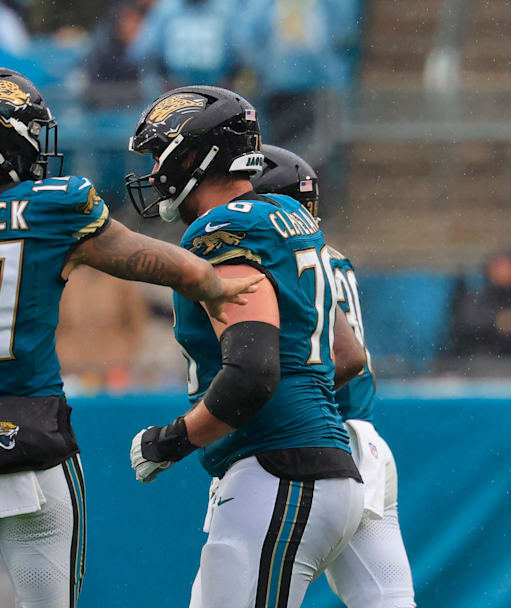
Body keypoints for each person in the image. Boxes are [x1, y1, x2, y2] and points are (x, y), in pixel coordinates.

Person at [0, 66, 261, 608]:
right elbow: (165, 266)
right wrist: (213, 283)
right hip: (34, 443)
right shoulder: (53, 205)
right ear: (0, 138)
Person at [124, 86, 368, 608]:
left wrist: (172, 440)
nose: (153, 172)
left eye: (157, 156)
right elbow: (346, 356)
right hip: (316, 466)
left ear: (191, 156)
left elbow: (253, 371)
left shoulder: (224, 226)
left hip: (280, 470)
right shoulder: (288, 215)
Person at [251, 144, 416, 608]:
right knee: (387, 600)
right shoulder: (330, 255)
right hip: (366, 443)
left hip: (313, 446)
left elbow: (343, 359)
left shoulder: (280, 257)